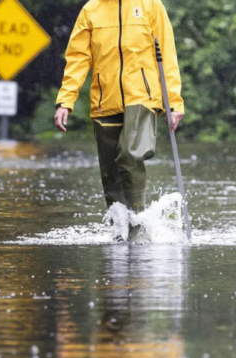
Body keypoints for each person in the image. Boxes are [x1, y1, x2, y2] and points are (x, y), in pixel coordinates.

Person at [55, 0, 185, 217]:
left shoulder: (150, 5)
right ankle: (119, 228)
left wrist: (173, 101)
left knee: (129, 154)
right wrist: (65, 101)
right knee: (110, 173)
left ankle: (138, 222)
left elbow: (167, 55)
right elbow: (78, 59)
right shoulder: (90, 10)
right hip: (104, 100)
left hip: (142, 96)